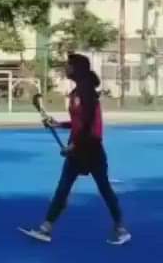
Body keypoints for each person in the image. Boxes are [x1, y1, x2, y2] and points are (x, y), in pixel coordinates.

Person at [20, 54, 129, 245]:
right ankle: (46, 227)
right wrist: (59, 124)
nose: (66, 68)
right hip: (79, 145)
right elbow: (78, 123)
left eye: (68, 65)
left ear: (77, 69)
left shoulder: (85, 92)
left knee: (103, 188)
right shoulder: (78, 92)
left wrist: (74, 146)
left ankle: (120, 228)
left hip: (91, 147)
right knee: (63, 188)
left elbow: (87, 125)